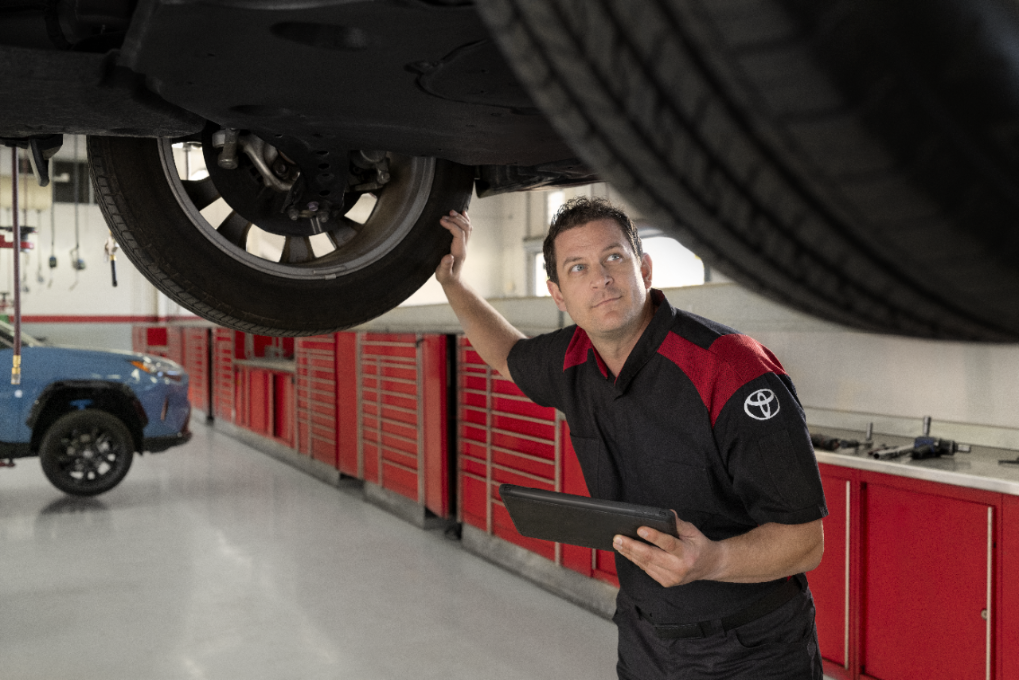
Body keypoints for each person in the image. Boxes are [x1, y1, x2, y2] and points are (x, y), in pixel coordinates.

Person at [437, 197, 827, 680]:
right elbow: (506, 355)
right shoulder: (572, 359)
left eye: (613, 258)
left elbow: (806, 542)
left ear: (643, 267)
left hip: (749, 649)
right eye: (578, 268)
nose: (600, 278)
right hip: (644, 640)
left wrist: (714, 559)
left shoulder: (730, 369)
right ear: (558, 295)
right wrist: (452, 281)